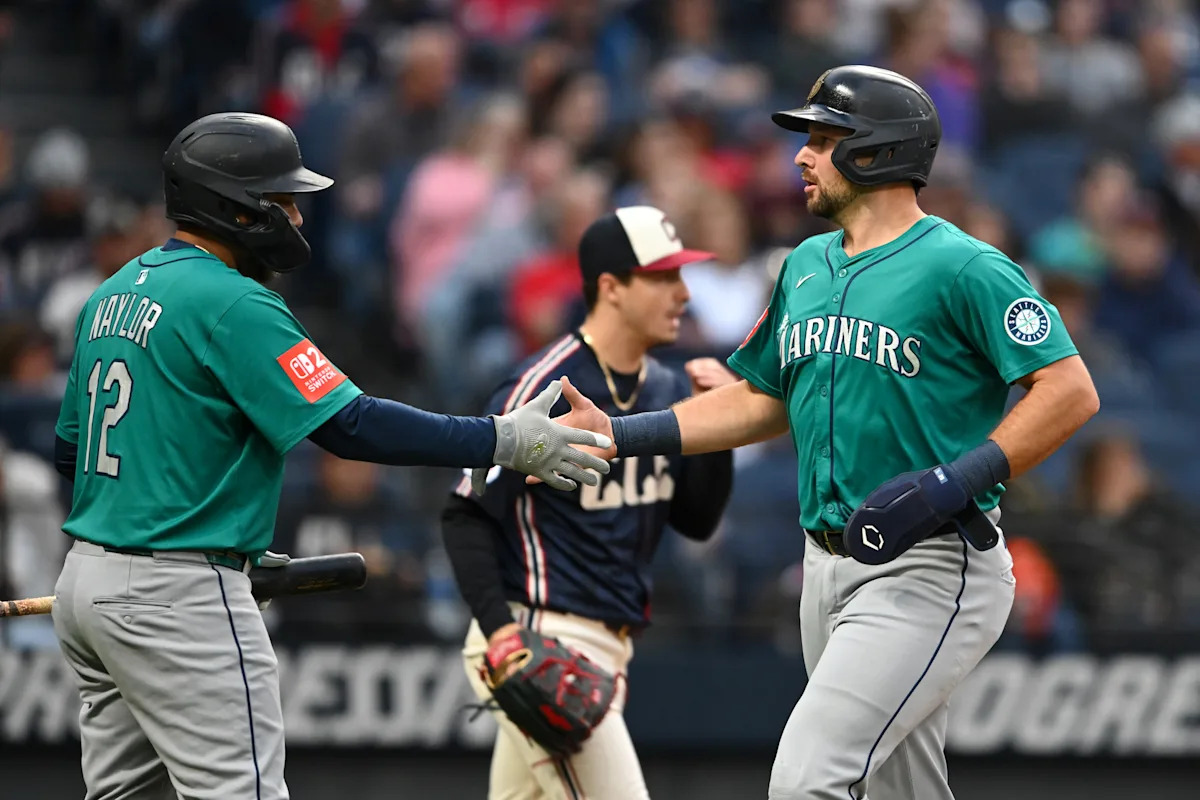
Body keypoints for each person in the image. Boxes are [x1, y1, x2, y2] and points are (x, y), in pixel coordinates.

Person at [548, 66, 1100, 800]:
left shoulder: (963, 265)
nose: (800, 158)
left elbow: (1070, 389)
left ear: (878, 152)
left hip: (931, 566)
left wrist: (956, 480)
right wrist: (623, 433)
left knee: (808, 781)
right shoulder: (806, 264)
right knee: (898, 789)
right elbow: (762, 400)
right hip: (827, 566)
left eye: (822, 139)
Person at [48, 112, 611, 800]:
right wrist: (500, 439)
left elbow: (69, 453)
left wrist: (191, 540)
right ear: (236, 207)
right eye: (282, 201)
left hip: (89, 583)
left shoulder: (111, 295)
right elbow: (352, 426)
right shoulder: (231, 300)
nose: (297, 217)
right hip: (179, 592)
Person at [442, 205, 736, 800]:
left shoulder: (667, 388)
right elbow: (464, 512)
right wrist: (501, 635)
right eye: (664, 278)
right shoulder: (544, 388)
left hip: (609, 650)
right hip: (539, 636)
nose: (683, 293)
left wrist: (720, 429)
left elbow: (696, 521)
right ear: (612, 287)